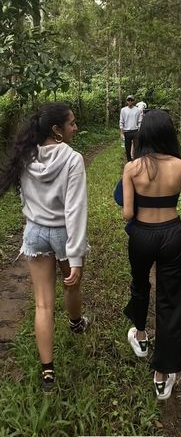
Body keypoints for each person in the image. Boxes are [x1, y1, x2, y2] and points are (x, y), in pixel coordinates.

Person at [0, 102, 90, 394]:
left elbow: (25, 199)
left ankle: (48, 372)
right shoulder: (72, 159)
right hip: (64, 234)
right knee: (71, 285)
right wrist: (75, 255)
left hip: (35, 231)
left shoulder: (26, 155)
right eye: (72, 123)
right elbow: (75, 211)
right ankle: (76, 323)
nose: (75, 127)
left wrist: (34, 219)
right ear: (57, 130)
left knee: (42, 304)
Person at [122, 109, 181, 400]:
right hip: (171, 235)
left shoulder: (132, 168)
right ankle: (162, 373)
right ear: (169, 133)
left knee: (140, 284)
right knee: (171, 299)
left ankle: (140, 337)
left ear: (144, 134)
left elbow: (128, 213)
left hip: (141, 234)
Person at [119, 95, 142, 161]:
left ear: (134, 101)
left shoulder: (137, 110)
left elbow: (139, 121)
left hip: (135, 131)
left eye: (131, 100)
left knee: (137, 147)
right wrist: (121, 132)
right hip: (127, 132)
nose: (130, 101)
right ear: (126, 101)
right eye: (128, 100)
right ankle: (129, 162)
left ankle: (136, 161)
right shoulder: (123, 110)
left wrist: (139, 131)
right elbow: (121, 121)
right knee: (127, 148)